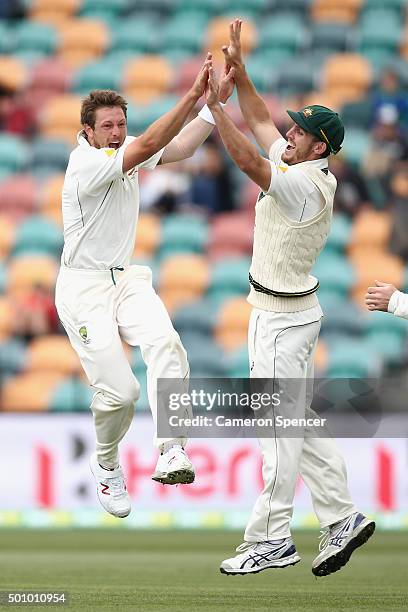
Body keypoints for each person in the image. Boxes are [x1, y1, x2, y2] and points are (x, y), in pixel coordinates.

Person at [205, 20, 375, 577]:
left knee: (276, 433)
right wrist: (244, 76)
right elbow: (260, 120)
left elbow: (249, 159)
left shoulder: (305, 183)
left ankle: (273, 538)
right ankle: (342, 516)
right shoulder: (302, 162)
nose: (290, 133)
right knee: (295, 424)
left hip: (281, 319)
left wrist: (215, 109)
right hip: (283, 311)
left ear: (320, 146)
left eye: (300, 131)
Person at [54, 55, 234, 519]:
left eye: (121, 124)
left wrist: (212, 109)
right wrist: (193, 94)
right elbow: (154, 140)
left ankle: (171, 449)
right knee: (122, 394)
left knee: (166, 343)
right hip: (83, 288)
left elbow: (180, 148)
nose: (117, 132)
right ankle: (107, 464)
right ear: (88, 131)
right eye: (108, 126)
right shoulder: (84, 166)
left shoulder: (125, 148)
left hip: (126, 278)